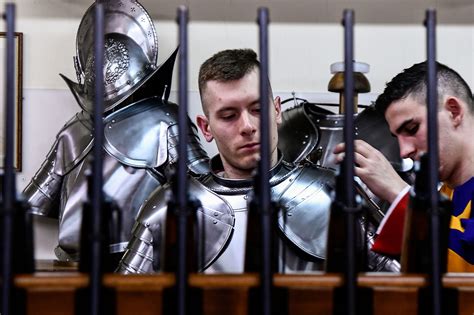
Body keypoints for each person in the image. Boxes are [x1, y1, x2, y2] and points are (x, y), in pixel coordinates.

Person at [117, 49, 400, 274]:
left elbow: (402, 287)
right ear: (205, 128)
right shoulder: (168, 208)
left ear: (276, 110)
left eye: (257, 109)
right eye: (228, 115)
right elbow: (124, 301)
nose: (248, 126)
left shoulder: (333, 194)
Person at [23, 0, 209, 263]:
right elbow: (33, 200)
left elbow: (207, 194)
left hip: (140, 262)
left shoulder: (165, 120)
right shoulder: (74, 129)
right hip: (71, 263)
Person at [334, 61, 474, 272]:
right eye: (397, 137)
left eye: (412, 128)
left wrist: (400, 194)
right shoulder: (447, 194)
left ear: (453, 111)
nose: (404, 151)